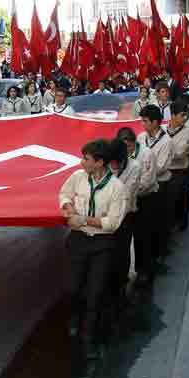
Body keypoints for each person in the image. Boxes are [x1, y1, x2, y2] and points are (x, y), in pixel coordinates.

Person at [60, 139, 126, 359]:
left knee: (95, 292)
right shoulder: (78, 178)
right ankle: (74, 316)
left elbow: (112, 223)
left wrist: (84, 220)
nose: (82, 162)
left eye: (86, 159)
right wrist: (69, 210)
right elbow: (64, 194)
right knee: (72, 287)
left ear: (99, 162)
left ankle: (89, 337)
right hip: (78, 240)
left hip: (102, 244)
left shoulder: (116, 187)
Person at [119, 126, 159, 288]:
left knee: (143, 237)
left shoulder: (146, 154)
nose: (127, 150)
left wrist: (130, 190)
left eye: (128, 146)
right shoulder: (119, 156)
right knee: (126, 239)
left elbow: (147, 180)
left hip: (144, 199)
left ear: (134, 143)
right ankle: (126, 272)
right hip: (126, 204)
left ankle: (144, 270)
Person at [108, 137, 141, 314]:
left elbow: (126, 197)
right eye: (110, 163)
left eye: (115, 163)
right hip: (105, 218)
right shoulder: (104, 165)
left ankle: (121, 284)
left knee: (122, 252)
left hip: (125, 216)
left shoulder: (134, 168)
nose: (112, 167)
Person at [138, 104, 173, 261]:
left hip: (160, 186)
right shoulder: (140, 138)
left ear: (155, 122)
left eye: (145, 121)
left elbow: (160, 167)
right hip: (142, 185)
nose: (142, 124)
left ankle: (159, 253)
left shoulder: (166, 141)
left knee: (158, 220)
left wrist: (142, 171)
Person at [167, 100, 189, 234]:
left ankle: (183, 220)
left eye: (185, 114)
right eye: (182, 114)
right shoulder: (165, 125)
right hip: (168, 166)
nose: (184, 118)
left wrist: (164, 152)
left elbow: (183, 149)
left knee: (183, 190)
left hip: (185, 160)